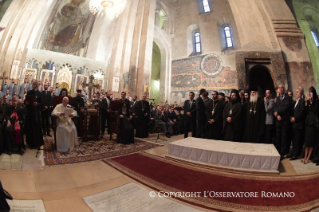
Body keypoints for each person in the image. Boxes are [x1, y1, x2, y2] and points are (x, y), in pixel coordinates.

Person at [274, 84, 292, 159]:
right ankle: (277, 151)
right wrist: (277, 114)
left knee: (284, 137)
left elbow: (286, 107)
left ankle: (282, 153)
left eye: (282, 88)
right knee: (278, 136)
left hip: (284, 120)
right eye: (279, 88)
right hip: (278, 120)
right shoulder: (277, 98)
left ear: (284, 89)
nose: (280, 89)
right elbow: (275, 106)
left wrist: (277, 112)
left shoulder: (287, 98)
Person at [24, 80, 43, 149]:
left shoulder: (40, 93)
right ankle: (30, 143)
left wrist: (37, 104)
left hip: (36, 113)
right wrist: (26, 103)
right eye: (34, 84)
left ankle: (37, 143)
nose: (35, 85)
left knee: (36, 128)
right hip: (30, 113)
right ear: (32, 85)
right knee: (30, 128)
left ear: (38, 85)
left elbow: (42, 104)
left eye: (36, 84)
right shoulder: (29, 92)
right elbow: (25, 101)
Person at [302, 86, 319, 164]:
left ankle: (308, 157)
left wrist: (311, 103)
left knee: (311, 141)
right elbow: (306, 112)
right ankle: (305, 156)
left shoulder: (316, 101)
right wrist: (306, 103)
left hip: (313, 122)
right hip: (308, 121)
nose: (310, 94)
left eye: (311, 92)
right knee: (307, 141)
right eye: (309, 92)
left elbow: (315, 110)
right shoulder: (308, 101)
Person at [290, 88, 305, 160]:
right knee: (294, 140)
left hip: (298, 124)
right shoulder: (296, 101)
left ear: (301, 94)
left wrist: (295, 118)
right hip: (294, 124)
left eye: (297, 92)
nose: (296, 93)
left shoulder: (302, 101)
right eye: (295, 92)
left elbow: (302, 112)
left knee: (297, 140)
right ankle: (293, 153)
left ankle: (296, 154)